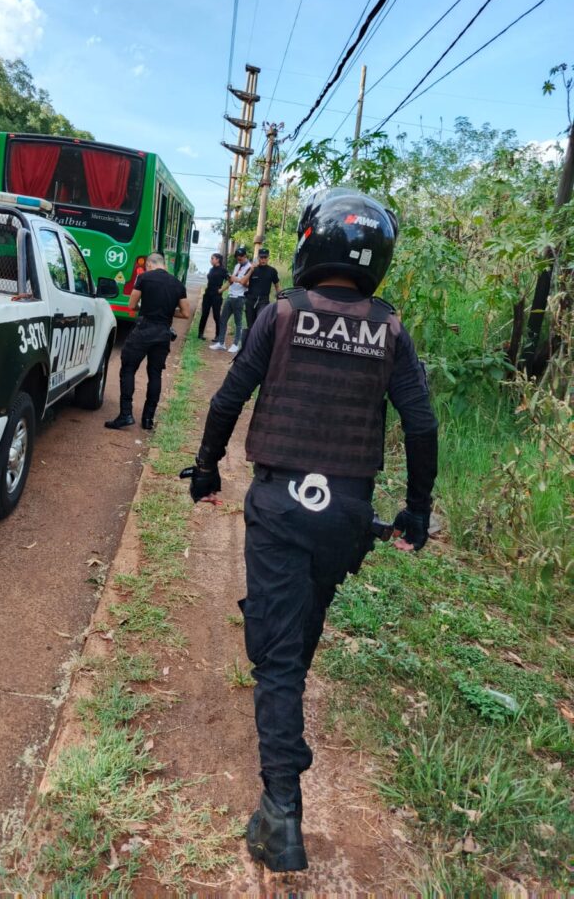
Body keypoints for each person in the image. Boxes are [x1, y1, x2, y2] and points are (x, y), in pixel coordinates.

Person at [182, 187, 438, 873]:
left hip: (280, 504)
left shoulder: (282, 314)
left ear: (309, 245)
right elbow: (421, 423)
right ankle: (286, 731)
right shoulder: (390, 329)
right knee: (299, 633)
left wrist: (206, 469)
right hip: (346, 513)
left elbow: (229, 398)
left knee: (276, 657)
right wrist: (417, 508)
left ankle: (281, 810)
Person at [105, 252, 190, 431]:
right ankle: (148, 419)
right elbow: (185, 313)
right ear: (163, 264)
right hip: (163, 333)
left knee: (128, 369)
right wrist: (168, 312)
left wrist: (144, 307)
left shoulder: (144, 278)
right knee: (155, 374)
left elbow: (131, 305)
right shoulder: (178, 284)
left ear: (150, 264)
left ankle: (126, 414)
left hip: (143, 330)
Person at [210, 245, 251, 355]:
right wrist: (221, 290)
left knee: (238, 323)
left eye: (241, 257)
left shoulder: (250, 268)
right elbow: (231, 280)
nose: (239, 259)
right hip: (230, 295)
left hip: (240, 297)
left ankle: (236, 344)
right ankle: (221, 342)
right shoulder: (237, 266)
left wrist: (237, 279)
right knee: (223, 320)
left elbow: (248, 284)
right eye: (237, 257)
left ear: (245, 256)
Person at [243, 247, 280, 328]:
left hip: (263, 301)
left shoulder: (272, 271)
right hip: (250, 300)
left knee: (260, 322)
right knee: (250, 326)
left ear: (268, 258)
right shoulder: (252, 269)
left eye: (265, 257)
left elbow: (277, 286)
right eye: (261, 257)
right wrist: (251, 271)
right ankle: (249, 336)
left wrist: (280, 299)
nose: (263, 259)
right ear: (258, 258)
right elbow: (243, 283)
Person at [198, 252, 228, 340]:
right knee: (204, 314)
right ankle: (200, 333)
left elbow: (230, 280)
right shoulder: (211, 269)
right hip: (207, 294)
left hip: (216, 296)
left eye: (212, 258)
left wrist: (221, 290)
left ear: (217, 260)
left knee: (216, 315)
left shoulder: (223, 270)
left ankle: (218, 335)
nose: (210, 260)